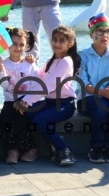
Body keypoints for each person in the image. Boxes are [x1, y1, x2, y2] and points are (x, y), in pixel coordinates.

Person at [21, 25, 79, 166]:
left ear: (69, 44)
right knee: (28, 114)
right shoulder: (50, 61)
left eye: (61, 41)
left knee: (40, 120)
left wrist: (27, 100)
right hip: (49, 102)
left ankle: (64, 150)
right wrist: (32, 64)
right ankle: (54, 142)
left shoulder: (66, 61)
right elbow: (39, 79)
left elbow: (49, 85)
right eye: (54, 40)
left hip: (65, 104)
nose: (57, 44)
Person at [77, 14, 109, 164]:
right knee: (100, 107)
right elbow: (83, 82)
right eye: (100, 31)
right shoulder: (82, 56)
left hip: (107, 97)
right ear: (92, 34)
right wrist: (101, 92)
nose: (104, 35)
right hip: (86, 99)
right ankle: (95, 147)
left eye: (108, 31)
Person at [0, 27, 39, 164]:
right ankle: (12, 150)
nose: (18, 47)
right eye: (14, 43)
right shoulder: (4, 63)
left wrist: (25, 101)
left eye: (21, 45)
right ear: (7, 44)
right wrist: (1, 67)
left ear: (27, 46)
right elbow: (5, 86)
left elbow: (36, 84)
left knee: (21, 119)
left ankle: (30, 148)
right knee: (5, 117)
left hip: (26, 100)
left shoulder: (30, 63)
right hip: (9, 101)